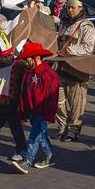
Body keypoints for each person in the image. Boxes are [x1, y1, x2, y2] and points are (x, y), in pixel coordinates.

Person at [12, 43, 59, 174]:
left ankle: (27, 161)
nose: (26, 63)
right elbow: (24, 93)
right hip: (31, 110)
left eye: (27, 60)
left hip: (42, 112)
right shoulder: (28, 73)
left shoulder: (49, 74)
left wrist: (48, 115)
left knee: (34, 137)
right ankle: (50, 156)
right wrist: (23, 111)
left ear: (36, 57)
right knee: (41, 135)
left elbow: (52, 97)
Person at [54, 0, 95, 142]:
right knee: (58, 101)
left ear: (80, 8)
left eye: (73, 7)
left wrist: (69, 50)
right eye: (68, 7)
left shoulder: (87, 26)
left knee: (76, 103)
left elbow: (88, 47)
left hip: (78, 70)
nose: (70, 10)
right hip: (60, 68)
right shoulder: (64, 23)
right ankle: (62, 127)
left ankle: (74, 129)